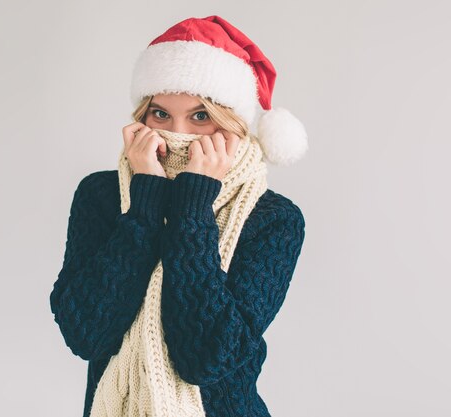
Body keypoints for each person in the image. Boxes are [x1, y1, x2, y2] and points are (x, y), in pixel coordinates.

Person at [49, 15, 308, 417]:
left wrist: (193, 205)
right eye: (160, 114)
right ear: (141, 116)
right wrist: (145, 203)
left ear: (233, 123)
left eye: (201, 116)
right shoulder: (101, 195)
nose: (178, 132)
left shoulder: (274, 219)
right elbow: (86, 334)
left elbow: (205, 359)